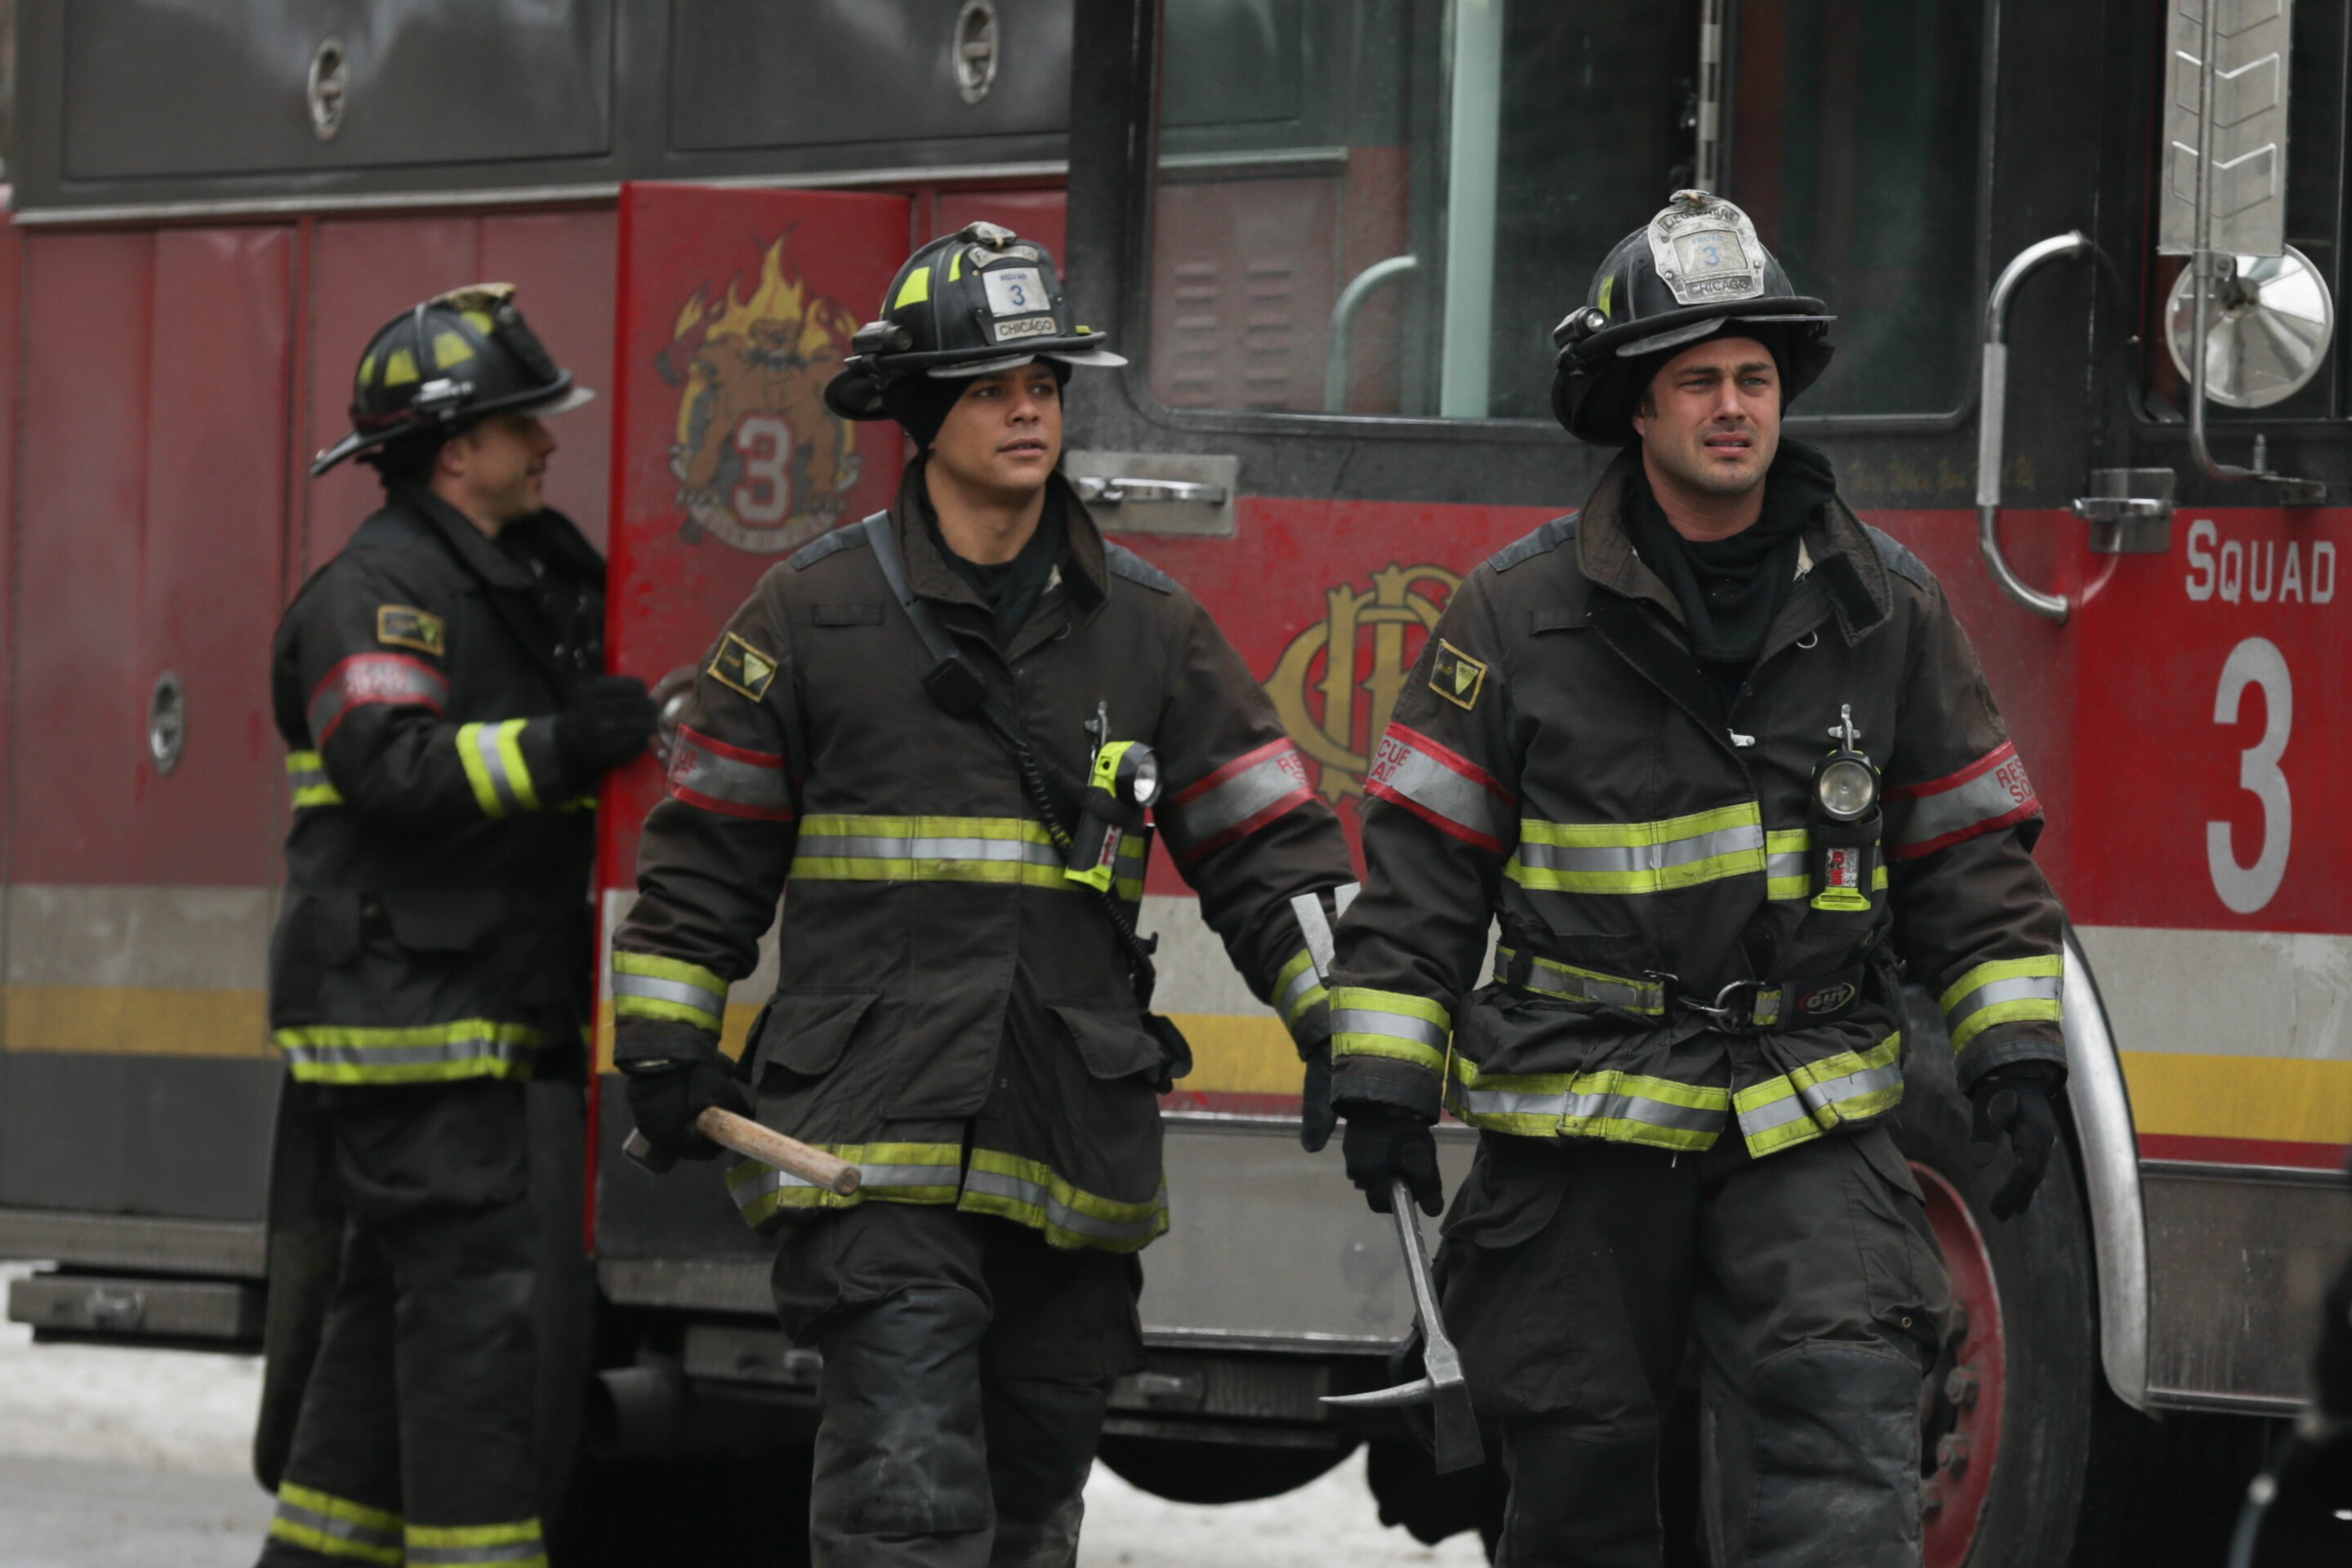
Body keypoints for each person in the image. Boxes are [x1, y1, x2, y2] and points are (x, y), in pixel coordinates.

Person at [1326, 191, 2069, 1567]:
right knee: (1581, 1504)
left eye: (1754, 377)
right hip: (1579, 1134)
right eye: (1697, 380)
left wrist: (2015, 1053)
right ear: (1636, 410)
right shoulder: (1516, 615)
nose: (1734, 406)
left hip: (1808, 1121)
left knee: (1845, 1471)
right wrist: (1381, 1068)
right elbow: (1426, 868)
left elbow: (1968, 853)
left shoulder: (1883, 606)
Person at [610, 220, 1359, 1566]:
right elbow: (703, 854)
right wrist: (664, 1037)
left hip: (1068, 1155)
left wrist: (1350, 1034)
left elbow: (1270, 849)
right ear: (917, 412)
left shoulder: (1153, 630)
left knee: (1024, 1524)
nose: (1029, 410)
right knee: (907, 1508)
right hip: (867, 1152)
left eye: (1046, 385)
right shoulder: (807, 617)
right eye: (991, 387)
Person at [257, 285, 655, 1568]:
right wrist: (561, 746)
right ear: (453, 451)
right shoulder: (380, 589)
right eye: (521, 426)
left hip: (455, 1011)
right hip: (406, 1024)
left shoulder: (505, 573)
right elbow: (390, 768)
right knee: (479, 1321)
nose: (547, 444)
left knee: (390, 1314)